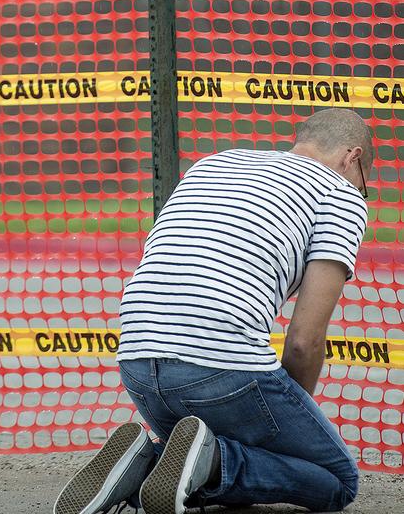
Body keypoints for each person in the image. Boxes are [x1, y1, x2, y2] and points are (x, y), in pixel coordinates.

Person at [54, 108, 371, 514]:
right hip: (219, 372)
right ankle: (211, 461)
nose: (361, 194)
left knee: (194, 458)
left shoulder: (215, 162)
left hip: (136, 364)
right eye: (364, 186)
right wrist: (281, 427)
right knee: (337, 482)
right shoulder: (339, 193)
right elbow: (305, 341)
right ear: (353, 158)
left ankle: (147, 459)